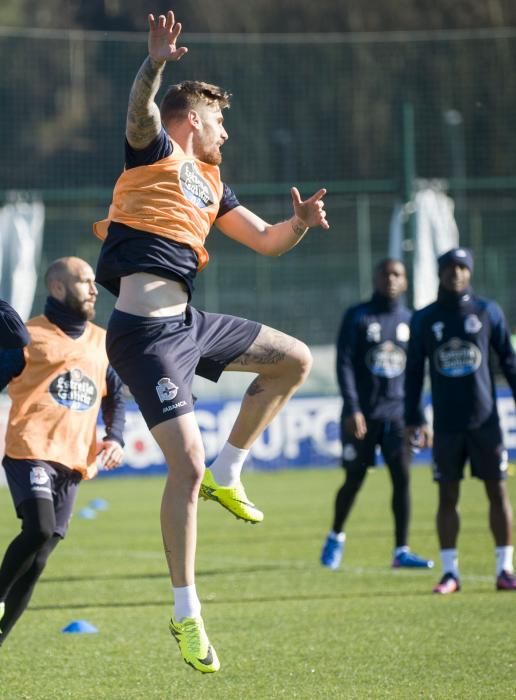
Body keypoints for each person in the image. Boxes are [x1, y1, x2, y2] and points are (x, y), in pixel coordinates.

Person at [93, 10, 328, 674]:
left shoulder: (214, 187)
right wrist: (156, 62)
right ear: (191, 120)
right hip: (145, 336)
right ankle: (185, 612)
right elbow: (141, 110)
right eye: (220, 120)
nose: (228, 130)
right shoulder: (156, 148)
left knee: (294, 362)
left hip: (190, 324)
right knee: (183, 470)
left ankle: (233, 468)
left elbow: (268, 241)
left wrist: (301, 222)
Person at [0, 257, 125, 646]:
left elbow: (115, 395)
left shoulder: (104, 341)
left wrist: (115, 436)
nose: (93, 289)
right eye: (85, 281)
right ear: (57, 288)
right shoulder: (28, 337)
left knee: (37, 561)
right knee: (36, 529)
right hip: (30, 450)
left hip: (75, 462)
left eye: (93, 282)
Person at [405, 247, 516, 594]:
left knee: (497, 491)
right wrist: (414, 417)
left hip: (485, 422)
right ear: (440, 273)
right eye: (450, 268)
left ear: (470, 271)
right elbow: (412, 374)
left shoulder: (487, 311)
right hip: (447, 425)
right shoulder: (424, 318)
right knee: (447, 496)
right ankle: (450, 572)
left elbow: (508, 361)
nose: (456, 273)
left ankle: (505, 569)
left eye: (462, 267)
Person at [320, 259, 433, 570]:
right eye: (385, 274)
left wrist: (418, 416)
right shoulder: (358, 316)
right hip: (363, 415)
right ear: (375, 278)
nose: (391, 280)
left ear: (406, 281)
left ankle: (401, 550)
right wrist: (353, 407)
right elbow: (343, 365)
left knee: (403, 478)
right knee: (354, 478)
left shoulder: (412, 321)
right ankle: (335, 537)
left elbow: (415, 373)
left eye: (397, 275)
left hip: (398, 415)